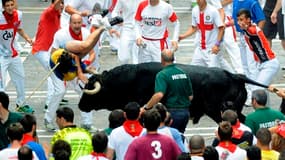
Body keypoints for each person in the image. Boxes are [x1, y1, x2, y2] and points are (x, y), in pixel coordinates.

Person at [48, 13, 96, 131]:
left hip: (76, 68)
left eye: (79, 22)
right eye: (74, 23)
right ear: (69, 23)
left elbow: (92, 53)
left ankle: (87, 123)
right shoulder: (60, 35)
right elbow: (53, 53)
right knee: (59, 92)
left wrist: (87, 65)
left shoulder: (86, 34)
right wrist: (78, 70)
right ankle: (48, 120)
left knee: (85, 91)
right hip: (59, 68)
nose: (77, 25)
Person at [144, 49, 193, 133]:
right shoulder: (183, 73)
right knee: (180, 137)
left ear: (162, 60)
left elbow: (159, 95)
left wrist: (146, 107)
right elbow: (190, 96)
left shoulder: (162, 75)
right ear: (173, 59)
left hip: (172, 113)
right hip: (185, 113)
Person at [179, 0, 233, 72]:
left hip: (211, 49)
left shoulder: (213, 11)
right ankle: (234, 76)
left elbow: (221, 28)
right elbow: (194, 27)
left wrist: (216, 45)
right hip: (200, 49)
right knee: (192, 71)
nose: (198, 1)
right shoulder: (195, 11)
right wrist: (183, 36)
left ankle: (234, 77)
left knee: (213, 72)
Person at [31, 0, 64, 113]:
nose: (61, 5)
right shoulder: (48, 12)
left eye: (63, 3)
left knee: (55, 73)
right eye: (60, 3)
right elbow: (55, 5)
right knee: (54, 72)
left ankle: (55, 98)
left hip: (49, 50)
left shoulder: (58, 15)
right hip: (42, 50)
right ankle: (50, 103)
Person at [0, 0, 33, 109]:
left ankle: (21, 103)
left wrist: (27, 38)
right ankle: (2, 109)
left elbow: (19, 28)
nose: (10, 8)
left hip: (13, 54)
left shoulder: (18, 14)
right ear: (3, 7)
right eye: (7, 6)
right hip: (1, 57)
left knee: (20, 78)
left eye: (11, 5)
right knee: (1, 85)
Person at [237, 9, 280, 91]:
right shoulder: (246, 32)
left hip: (269, 64)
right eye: (238, 20)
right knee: (263, 90)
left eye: (241, 20)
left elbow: (252, 31)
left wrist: (246, 27)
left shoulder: (253, 29)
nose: (239, 22)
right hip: (261, 64)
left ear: (248, 20)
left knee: (257, 90)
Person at [232, 0, 265, 104]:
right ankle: (249, 92)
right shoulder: (235, 2)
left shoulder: (252, 2)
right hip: (241, 36)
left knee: (252, 67)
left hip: (250, 36)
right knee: (245, 66)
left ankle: (255, 94)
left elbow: (261, 19)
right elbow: (235, 19)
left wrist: (255, 34)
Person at [112, 0, 141, 64]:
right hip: (127, 28)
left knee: (138, 58)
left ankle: (138, 72)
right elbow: (115, 11)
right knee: (124, 57)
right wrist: (117, 19)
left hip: (141, 28)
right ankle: (124, 71)